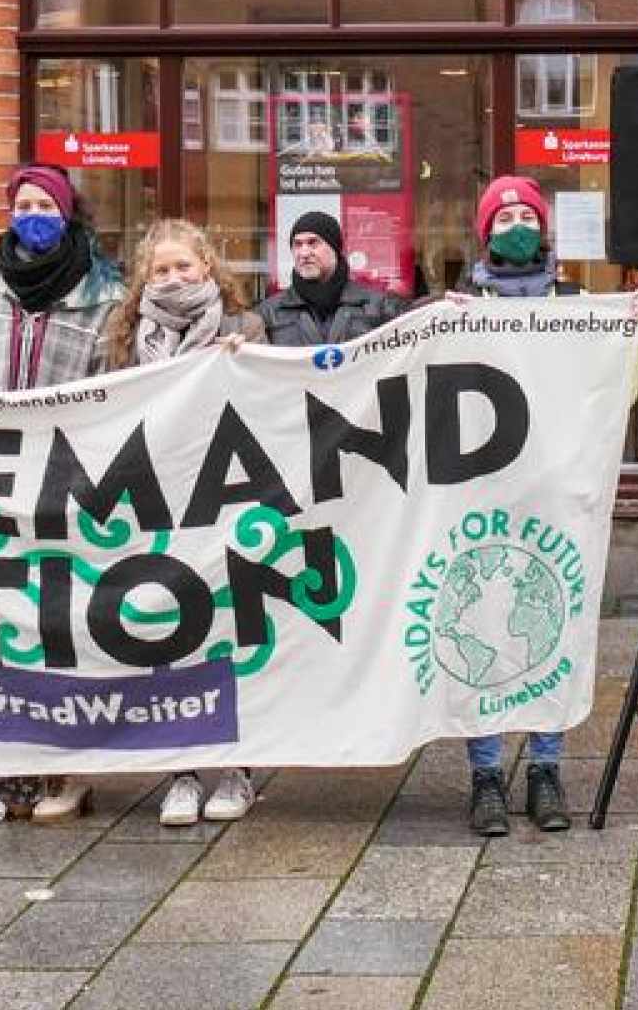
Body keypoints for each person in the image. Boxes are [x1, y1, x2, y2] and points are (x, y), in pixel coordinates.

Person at [0, 164, 125, 825]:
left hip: (65, 479)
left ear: (69, 214)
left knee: (60, 618)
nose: (32, 213)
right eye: (23, 203)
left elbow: (119, 382)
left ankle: (67, 766)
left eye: (45, 204)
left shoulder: (103, 294)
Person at [102, 219, 266, 829]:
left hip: (225, 503)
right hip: (153, 503)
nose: (173, 278)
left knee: (232, 631)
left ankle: (239, 768)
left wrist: (247, 365)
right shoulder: (121, 337)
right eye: (161, 270)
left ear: (207, 269)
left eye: (184, 267)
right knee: (168, 633)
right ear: (145, 277)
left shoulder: (243, 327)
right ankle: (182, 771)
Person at [456, 174, 578, 832]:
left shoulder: (573, 300)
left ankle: (546, 769)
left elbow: (613, 381)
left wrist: (631, 331)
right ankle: (485, 776)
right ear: (484, 235)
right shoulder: (462, 303)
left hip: (552, 492)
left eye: (523, 219)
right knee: (477, 628)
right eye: (500, 223)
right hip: (481, 490)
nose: (514, 230)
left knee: (548, 626)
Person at [256, 210, 410, 347]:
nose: (304, 253)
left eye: (313, 243)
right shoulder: (268, 313)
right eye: (297, 245)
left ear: (335, 249)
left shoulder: (380, 307)